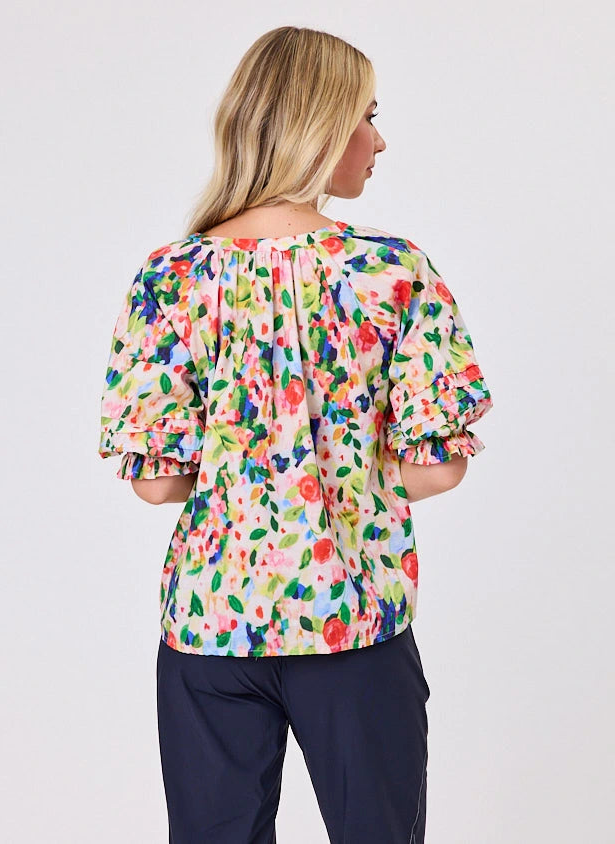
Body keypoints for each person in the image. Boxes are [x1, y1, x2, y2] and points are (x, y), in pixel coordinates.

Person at [98, 25, 493, 844]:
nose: (378, 140)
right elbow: (441, 469)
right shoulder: (390, 271)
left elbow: (159, 483)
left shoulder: (170, 275)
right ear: (317, 126)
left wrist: (253, 481)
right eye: (366, 116)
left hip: (210, 631)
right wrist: (336, 485)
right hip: (352, 621)